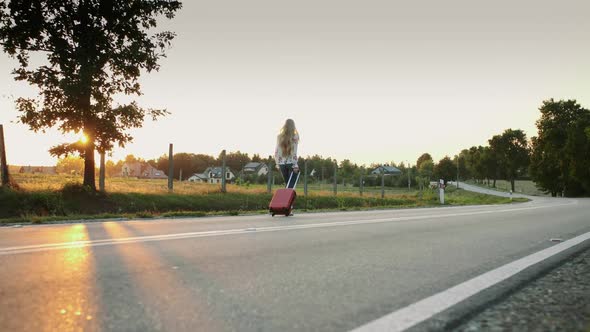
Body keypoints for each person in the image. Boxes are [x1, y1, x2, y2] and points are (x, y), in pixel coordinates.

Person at [274, 119, 300, 187]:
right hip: (291, 163)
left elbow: (277, 151)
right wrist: (295, 165)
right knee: (291, 186)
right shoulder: (295, 136)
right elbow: (294, 152)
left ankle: (289, 197)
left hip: (281, 163)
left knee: (287, 185)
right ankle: (291, 197)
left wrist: (277, 163)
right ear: (293, 126)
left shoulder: (279, 137)